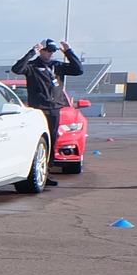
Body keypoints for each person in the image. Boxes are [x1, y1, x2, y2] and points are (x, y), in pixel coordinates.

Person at [10, 39, 85, 176]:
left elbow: (79, 70)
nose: (51, 53)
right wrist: (32, 52)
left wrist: (68, 52)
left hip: (54, 109)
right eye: (49, 50)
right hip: (39, 109)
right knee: (38, 141)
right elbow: (17, 69)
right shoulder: (32, 66)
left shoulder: (57, 66)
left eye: (53, 51)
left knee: (51, 140)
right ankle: (33, 171)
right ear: (41, 51)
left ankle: (46, 172)